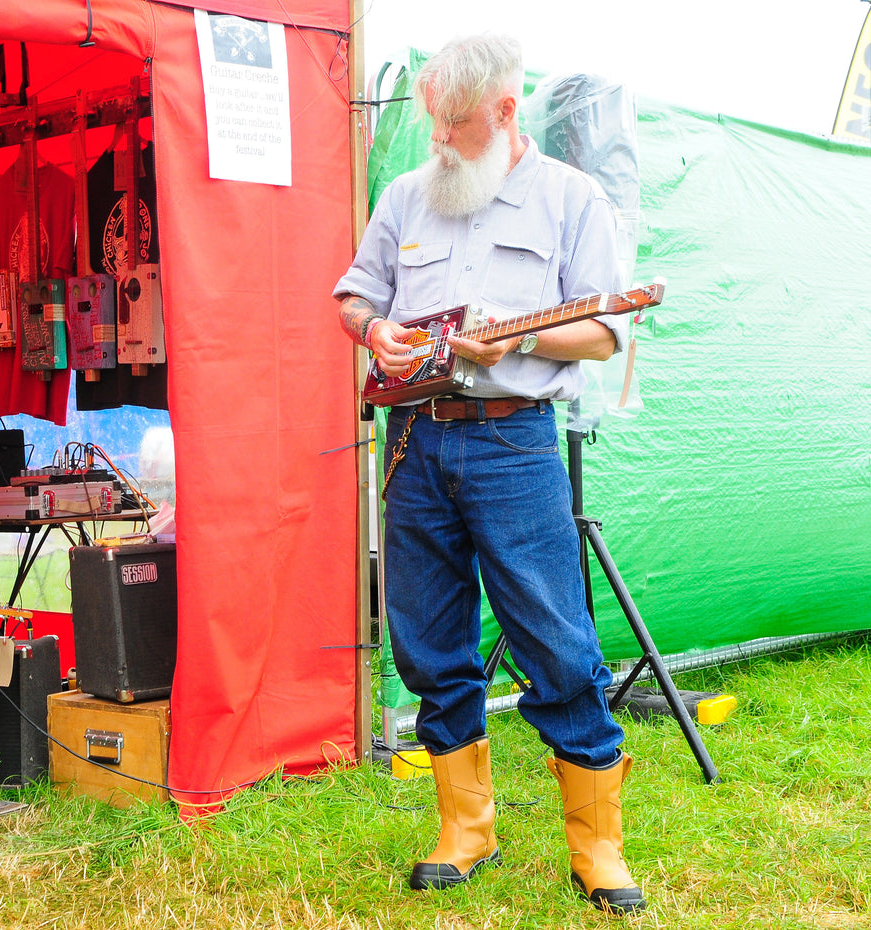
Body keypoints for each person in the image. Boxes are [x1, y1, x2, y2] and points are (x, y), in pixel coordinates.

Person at [334, 34, 645, 915]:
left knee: (557, 642)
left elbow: (605, 331)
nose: (438, 138)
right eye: (433, 119)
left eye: (456, 124)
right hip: (413, 443)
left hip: (514, 443)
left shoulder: (572, 198)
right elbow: (355, 295)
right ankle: (466, 829)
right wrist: (372, 332)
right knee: (428, 641)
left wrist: (521, 335)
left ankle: (598, 845)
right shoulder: (404, 196)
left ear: (507, 113)